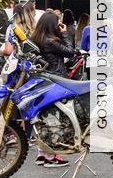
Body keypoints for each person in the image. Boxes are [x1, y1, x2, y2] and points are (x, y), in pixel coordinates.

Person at [31, 12, 78, 167]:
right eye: (57, 23)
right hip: (57, 80)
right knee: (55, 118)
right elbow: (70, 52)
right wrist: (64, 34)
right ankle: (51, 156)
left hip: (45, 80)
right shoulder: (50, 41)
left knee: (46, 117)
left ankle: (43, 153)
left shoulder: (37, 39)